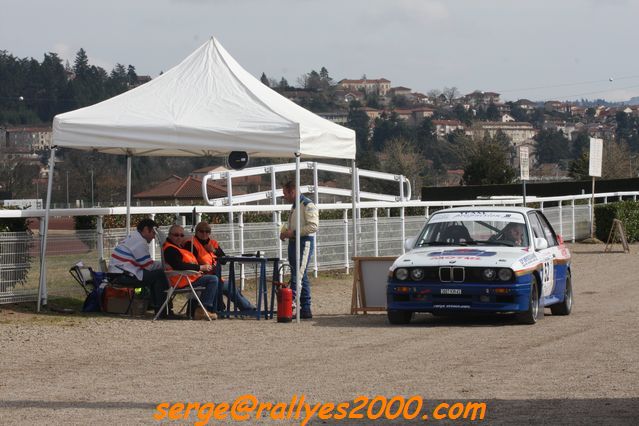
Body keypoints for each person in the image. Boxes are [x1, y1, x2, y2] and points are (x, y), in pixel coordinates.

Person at [108, 218, 177, 319]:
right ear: (145, 230)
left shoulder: (134, 237)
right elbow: (148, 266)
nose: (154, 237)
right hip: (122, 276)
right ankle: (162, 312)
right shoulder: (140, 242)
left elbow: (145, 264)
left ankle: (160, 309)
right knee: (161, 274)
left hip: (118, 273)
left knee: (156, 275)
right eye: (153, 233)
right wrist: (164, 265)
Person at [183, 221, 255, 311]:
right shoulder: (191, 244)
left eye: (207, 231)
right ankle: (211, 309)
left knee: (230, 286)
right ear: (196, 232)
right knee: (224, 285)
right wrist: (203, 267)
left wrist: (214, 250)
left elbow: (224, 260)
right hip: (200, 277)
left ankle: (247, 308)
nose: (205, 233)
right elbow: (191, 262)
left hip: (215, 276)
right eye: (202, 231)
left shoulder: (213, 243)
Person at [279, 180, 318, 319]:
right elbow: (292, 224)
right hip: (294, 243)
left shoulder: (307, 204)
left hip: (304, 243)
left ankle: (291, 304)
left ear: (292, 191)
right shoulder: (295, 206)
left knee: (299, 275)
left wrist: (293, 233)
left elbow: (313, 226)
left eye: (285, 193)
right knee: (300, 274)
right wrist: (285, 232)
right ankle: (305, 308)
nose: (284, 196)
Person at [163, 225, 219, 320]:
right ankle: (202, 310)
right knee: (213, 280)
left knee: (216, 279)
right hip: (182, 281)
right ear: (169, 235)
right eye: (176, 235)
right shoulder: (170, 249)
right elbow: (179, 266)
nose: (179, 237)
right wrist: (200, 267)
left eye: (181, 235)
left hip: (189, 278)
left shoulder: (178, 247)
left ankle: (208, 309)